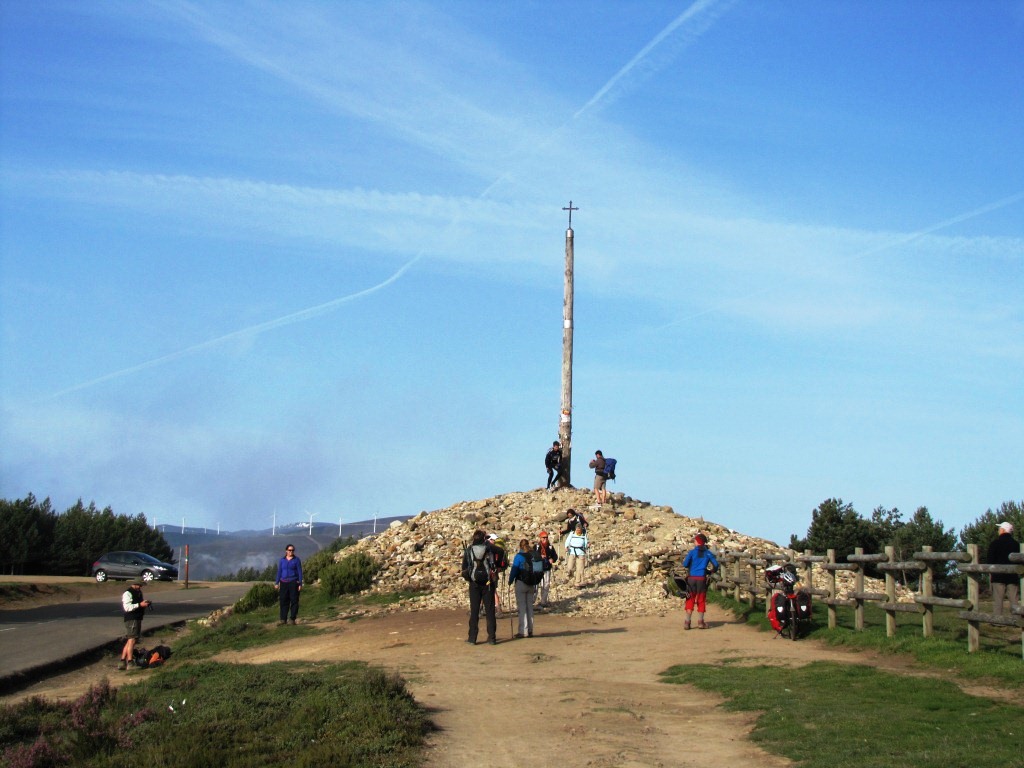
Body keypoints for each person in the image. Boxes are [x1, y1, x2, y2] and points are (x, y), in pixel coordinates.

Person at [462, 530, 498, 644]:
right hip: (488, 584)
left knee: (474, 611)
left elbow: (464, 568)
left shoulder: (469, 550)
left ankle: (472, 638)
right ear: (483, 539)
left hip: (474, 584)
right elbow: (493, 565)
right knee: (490, 610)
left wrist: (470, 579)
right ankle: (492, 638)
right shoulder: (488, 549)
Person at [681, 533, 719, 630]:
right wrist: (709, 572)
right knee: (701, 600)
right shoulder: (708, 553)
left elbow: (685, 564)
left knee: (690, 598)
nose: (694, 541)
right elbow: (716, 565)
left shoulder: (692, 552)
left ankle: (687, 622)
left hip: (691, 579)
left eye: (695, 540)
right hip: (702, 579)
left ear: (698, 542)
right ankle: (701, 623)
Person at [988, 521, 1020, 616]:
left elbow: (990, 560)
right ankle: (1016, 620)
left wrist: (991, 573)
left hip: (998, 576)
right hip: (1013, 576)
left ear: (1002, 530)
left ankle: (997, 621)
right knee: (1014, 600)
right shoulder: (1016, 544)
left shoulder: (995, 543)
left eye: (999, 529)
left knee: (998, 600)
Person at [118, 580, 151, 670]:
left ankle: (122, 661)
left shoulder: (138, 592)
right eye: (139, 585)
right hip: (131, 619)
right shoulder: (127, 593)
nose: (140, 587)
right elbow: (127, 607)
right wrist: (140, 605)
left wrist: (143, 603)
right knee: (132, 640)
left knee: (130, 640)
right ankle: (130, 663)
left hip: (136, 618)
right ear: (135, 584)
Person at [509, 538, 538, 637]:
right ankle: (530, 630)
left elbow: (514, 570)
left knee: (522, 608)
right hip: (532, 584)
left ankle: (523, 631)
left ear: (520, 546)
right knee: (530, 607)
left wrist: (510, 581)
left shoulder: (519, 556)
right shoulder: (533, 555)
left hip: (521, 583)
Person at [274, 543, 304, 625]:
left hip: (293, 582)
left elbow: (299, 572)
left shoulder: (296, 560)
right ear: (286, 551)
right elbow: (279, 571)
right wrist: (277, 582)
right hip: (283, 583)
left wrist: (300, 583)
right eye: (290, 550)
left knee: (294, 601)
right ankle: (283, 619)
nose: (291, 552)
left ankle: (292, 619)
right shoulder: (282, 560)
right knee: (283, 601)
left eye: (293, 550)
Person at [534, 531, 559, 607]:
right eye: (543, 537)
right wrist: (539, 556)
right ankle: (532, 601)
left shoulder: (550, 546)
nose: (545, 539)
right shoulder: (536, 547)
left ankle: (543, 602)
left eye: (546, 537)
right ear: (540, 538)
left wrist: (552, 559)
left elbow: (555, 556)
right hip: (537, 568)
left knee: (546, 584)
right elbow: (532, 556)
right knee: (535, 585)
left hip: (547, 568)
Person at [564, 523, 588, 587]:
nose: (578, 531)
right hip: (572, 552)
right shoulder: (572, 534)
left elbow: (586, 543)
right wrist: (566, 546)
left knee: (580, 568)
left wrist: (587, 545)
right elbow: (567, 541)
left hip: (581, 553)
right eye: (577, 529)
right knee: (570, 566)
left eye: (579, 529)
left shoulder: (584, 535)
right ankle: (569, 575)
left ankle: (577, 583)